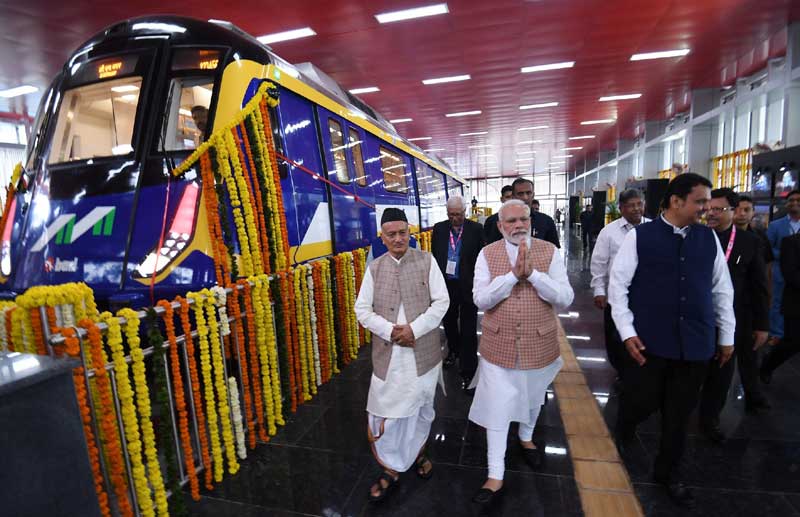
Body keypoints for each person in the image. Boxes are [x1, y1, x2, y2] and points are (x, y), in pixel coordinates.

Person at [608, 173, 735, 508]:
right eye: (700, 201)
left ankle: (668, 472)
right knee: (642, 400)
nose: (707, 209)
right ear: (676, 201)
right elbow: (617, 288)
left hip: (695, 342)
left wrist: (727, 336)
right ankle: (625, 425)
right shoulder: (640, 237)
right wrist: (627, 332)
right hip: (649, 341)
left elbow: (722, 290)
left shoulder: (708, 240)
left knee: (679, 415)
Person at [469, 199, 574, 505]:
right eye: (510, 221)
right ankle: (495, 474)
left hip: (539, 342)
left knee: (532, 397)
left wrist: (535, 276)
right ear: (500, 226)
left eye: (523, 219)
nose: (518, 225)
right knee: (498, 408)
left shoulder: (550, 252)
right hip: (498, 346)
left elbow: (565, 298)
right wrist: (513, 276)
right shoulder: (486, 254)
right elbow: (481, 300)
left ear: (531, 221)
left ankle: (526, 438)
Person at [354, 208, 450, 502]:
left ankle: (417, 454)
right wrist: (392, 331)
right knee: (386, 412)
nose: (398, 239)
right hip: (389, 355)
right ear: (382, 238)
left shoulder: (427, 261)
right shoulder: (375, 268)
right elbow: (362, 310)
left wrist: (415, 329)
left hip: (423, 353)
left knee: (421, 410)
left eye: (402, 233)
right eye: (391, 234)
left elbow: (442, 301)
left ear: (411, 233)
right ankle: (392, 466)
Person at [699, 189, 770, 444]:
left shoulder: (748, 242)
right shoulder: (696, 237)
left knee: (721, 373)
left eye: (719, 209)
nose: (712, 214)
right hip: (698, 317)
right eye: (709, 208)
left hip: (733, 319)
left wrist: (762, 325)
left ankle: (709, 420)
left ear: (733, 211)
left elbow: (759, 286)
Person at [590, 189, 649, 378]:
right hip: (616, 295)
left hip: (645, 295)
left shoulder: (653, 229)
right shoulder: (609, 232)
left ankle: (639, 369)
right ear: (621, 208)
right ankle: (620, 371)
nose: (636, 209)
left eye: (639, 204)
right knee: (615, 337)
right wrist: (599, 290)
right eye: (631, 205)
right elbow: (599, 262)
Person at [432, 196, 485, 390]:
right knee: (449, 321)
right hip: (446, 285)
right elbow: (436, 256)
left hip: (469, 285)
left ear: (465, 212)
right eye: (451, 215)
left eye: (459, 214)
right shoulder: (438, 229)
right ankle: (453, 350)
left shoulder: (476, 229)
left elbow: (482, 257)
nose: (455, 218)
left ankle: (468, 369)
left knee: (469, 327)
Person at [761, 231, 800, 382]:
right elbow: (790, 274)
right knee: (792, 343)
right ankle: (767, 365)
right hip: (796, 303)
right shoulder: (791, 242)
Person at [765, 190, 800, 343]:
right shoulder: (775, 225)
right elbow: (767, 248)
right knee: (778, 302)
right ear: (787, 204)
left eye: (798, 200)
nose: (795, 203)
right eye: (791, 200)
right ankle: (777, 334)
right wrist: (787, 254)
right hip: (780, 271)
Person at [511, 178, 560, 248]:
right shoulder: (498, 221)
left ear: (533, 195)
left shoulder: (546, 221)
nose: (525, 197)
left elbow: (554, 250)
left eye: (528, 193)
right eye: (520, 194)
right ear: (513, 196)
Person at [734, 195, 774, 265]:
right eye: (737, 210)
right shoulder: (722, 234)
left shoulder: (760, 236)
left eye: (746, 210)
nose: (742, 213)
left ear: (753, 212)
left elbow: (768, 261)